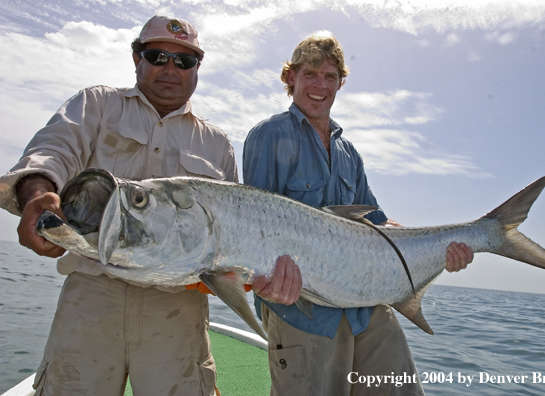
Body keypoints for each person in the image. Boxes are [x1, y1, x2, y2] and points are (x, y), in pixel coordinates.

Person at [0, 15, 296, 396]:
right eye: (157, 56)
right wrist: (37, 193)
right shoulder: (97, 105)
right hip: (92, 296)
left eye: (184, 61)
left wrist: (254, 276)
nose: (170, 68)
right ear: (137, 58)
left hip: (177, 312)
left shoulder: (217, 144)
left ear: (197, 69)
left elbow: (227, 244)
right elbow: (50, 152)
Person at [243, 31, 474, 395]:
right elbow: (252, 226)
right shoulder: (269, 134)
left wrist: (442, 249)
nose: (320, 85)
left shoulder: (349, 152)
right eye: (310, 74)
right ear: (291, 77)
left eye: (330, 77)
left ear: (341, 83)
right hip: (303, 311)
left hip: (365, 305)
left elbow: (378, 225)